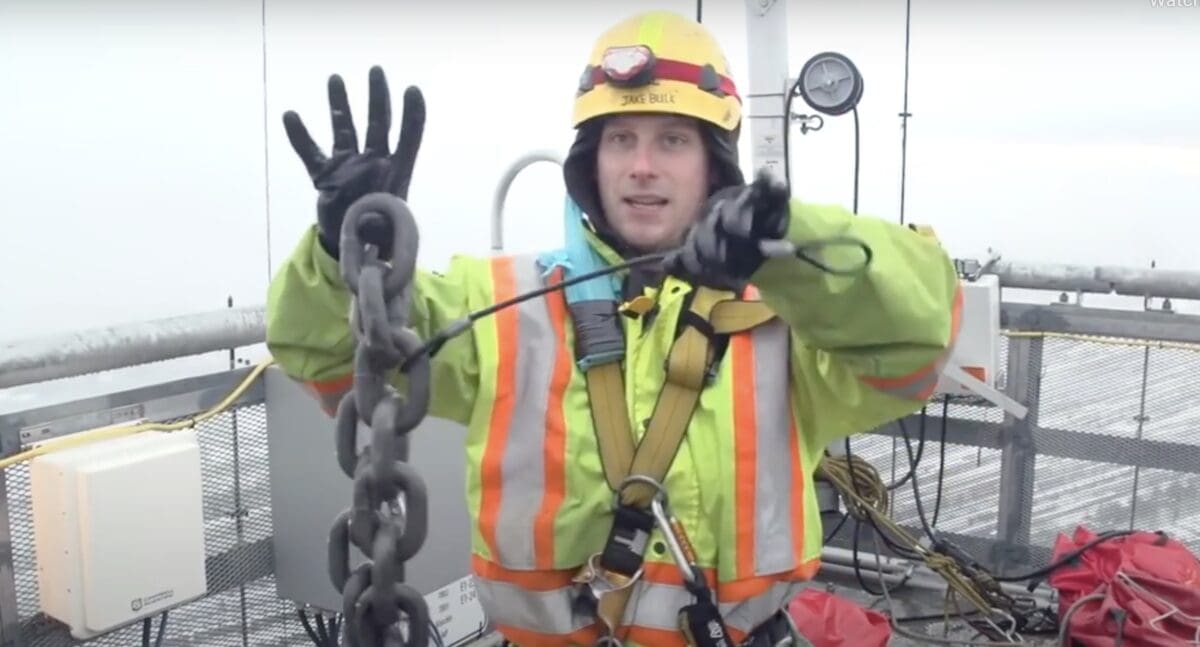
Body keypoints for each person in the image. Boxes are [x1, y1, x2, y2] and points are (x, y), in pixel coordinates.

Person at [265, 9, 962, 647]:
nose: (642, 166)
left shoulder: (787, 315)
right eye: (620, 138)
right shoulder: (502, 303)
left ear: (713, 162)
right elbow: (329, 358)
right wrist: (345, 251)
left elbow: (918, 331)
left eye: (673, 139)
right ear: (588, 163)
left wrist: (787, 242)